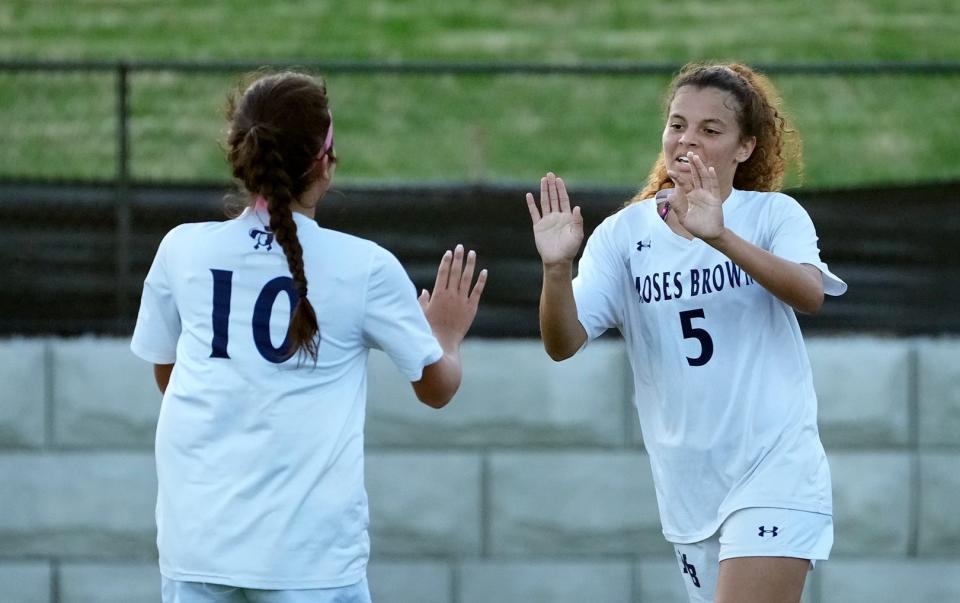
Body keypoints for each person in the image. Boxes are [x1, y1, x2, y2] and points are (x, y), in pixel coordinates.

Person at [131, 71, 487, 603]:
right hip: (309, 562)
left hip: (196, 550)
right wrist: (447, 334)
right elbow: (437, 388)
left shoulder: (180, 249)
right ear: (323, 163)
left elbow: (169, 375)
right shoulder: (364, 267)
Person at [525, 62, 846, 603]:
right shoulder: (624, 235)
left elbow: (809, 293)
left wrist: (720, 237)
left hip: (775, 475)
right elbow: (562, 342)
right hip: (688, 490)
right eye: (677, 124)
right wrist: (556, 270)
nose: (687, 140)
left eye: (710, 130)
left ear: (744, 148)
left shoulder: (772, 215)